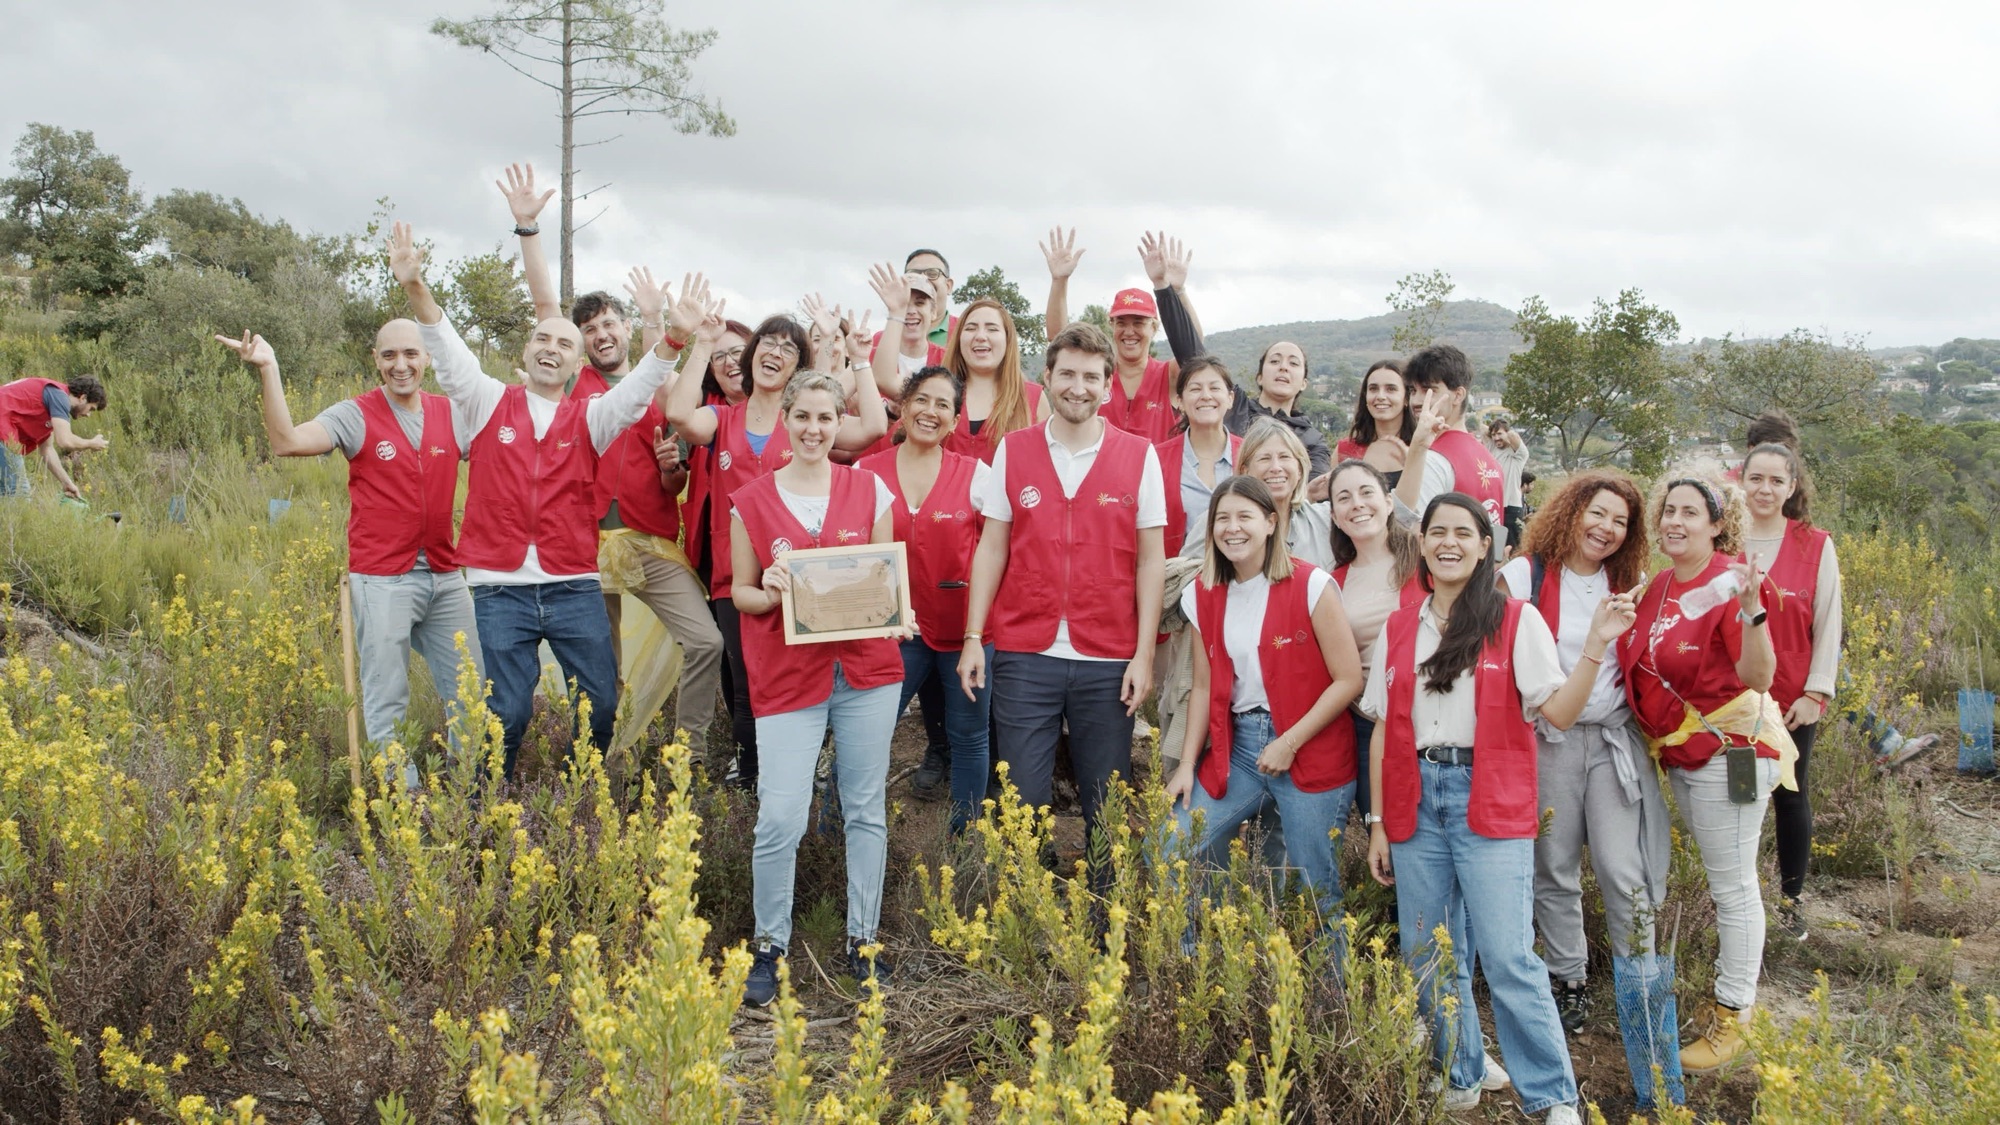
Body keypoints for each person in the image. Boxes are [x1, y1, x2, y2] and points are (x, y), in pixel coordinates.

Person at [393, 220, 693, 779]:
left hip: (571, 583)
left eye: (564, 344)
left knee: (601, 702)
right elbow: (445, 343)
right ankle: (488, 807)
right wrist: (416, 286)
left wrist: (672, 339)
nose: (551, 348)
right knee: (506, 710)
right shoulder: (485, 401)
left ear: (578, 366)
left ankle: (582, 790)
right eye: (543, 339)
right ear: (527, 351)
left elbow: (635, 393)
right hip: (498, 586)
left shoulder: (593, 417)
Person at [1363, 492, 1623, 1124]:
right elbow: (1381, 726)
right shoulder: (1402, 626)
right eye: (1437, 532)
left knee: (1509, 958)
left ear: (1487, 547)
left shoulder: (1515, 620)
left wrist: (1593, 647)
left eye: (1464, 533)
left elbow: (1556, 712)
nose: (1448, 542)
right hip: (1415, 801)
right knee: (1427, 953)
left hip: (1488, 797)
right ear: (1421, 543)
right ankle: (1461, 1072)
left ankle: (1553, 1096)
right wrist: (1376, 821)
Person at [504, 165, 724, 769]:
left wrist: (671, 469)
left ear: (628, 328)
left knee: (706, 639)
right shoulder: (570, 385)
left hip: (651, 544)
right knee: (602, 667)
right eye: (588, 329)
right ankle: (603, 762)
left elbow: (677, 481)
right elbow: (546, 304)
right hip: (582, 544)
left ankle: (692, 755)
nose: (600, 334)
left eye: (609, 324)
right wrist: (528, 227)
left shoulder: (664, 384)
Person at [217, 325, 481, 783]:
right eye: (390, 355)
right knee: (387, 697)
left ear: (428, 359)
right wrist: (269, 369)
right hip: (383, 578)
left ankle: (469, 793)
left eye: (411, 354)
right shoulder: (355, 415)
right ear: (375, 358)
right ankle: (407, 804)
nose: (401, 365)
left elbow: (510, 455)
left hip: (444, 574)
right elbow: (288, 442)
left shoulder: (452, 414)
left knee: (470, 691)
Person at [958, 322, 1167, 889]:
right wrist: (974, 635)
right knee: (1022, 799)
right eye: (1067, 374)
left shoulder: (1139, 455)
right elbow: (992, 545)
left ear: (1106, 387)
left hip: (1109, 656)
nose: (1078, 386)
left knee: (1107, 798)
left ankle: (1103, 916)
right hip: (1027, 650)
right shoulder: (1014, 449)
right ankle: (1032, 906)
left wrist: (1143, 655)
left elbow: (1152, 561)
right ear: (1045, 378)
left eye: (1091, 377)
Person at [1498, 470, 1682, 1108]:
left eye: (1620, 522)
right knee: (1553, 861)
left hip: (1612, 739)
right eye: (1596, 514)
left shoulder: (1627, 585)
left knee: (1621, 864)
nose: (1606, 529)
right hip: (1547, 738)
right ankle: (1568, 978)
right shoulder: (1527, 577)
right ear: (1571, 511)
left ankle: (1640, 976)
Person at [732, 370, 906, 1006]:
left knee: (864, 810)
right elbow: (740, 592)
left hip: (866, 673)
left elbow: (885, 580)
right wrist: (771, 589)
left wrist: (899, 612)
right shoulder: (750, 500)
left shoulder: (869, 489)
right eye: (801, 417)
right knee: (779, 817)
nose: (811, 428)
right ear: (786, 421)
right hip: (787, 677)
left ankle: (864, 940)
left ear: (840, 425)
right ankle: (769, 944)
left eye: (824, 419)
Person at [667, 298, 888, 791]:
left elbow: (873, 427)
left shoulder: (805, 423)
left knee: (815, 678)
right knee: (747, 688)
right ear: (751, 354)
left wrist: (860, 357)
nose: (776, 351)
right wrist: (702, 342)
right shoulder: (722, 419)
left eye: (790, 347)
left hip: (813, 581)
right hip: (738, 578)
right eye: (768, 341)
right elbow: (678, 413)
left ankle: (806, 767)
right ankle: (753, 775)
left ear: (800, 364)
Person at [1618, 469, 1794, 1074]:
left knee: (1733, 886)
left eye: (1691, 512)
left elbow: (1760, 677)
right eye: (1669, 510)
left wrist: (1753, 613)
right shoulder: (1660, 583)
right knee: (1728, 880)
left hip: (1728, 754)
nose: (1674, 521)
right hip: (1683, 757)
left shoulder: (1730, 584)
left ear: (1719, 525)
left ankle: (1734, 1017)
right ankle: (1730, 1005)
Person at [1166, 476, 1364, 925]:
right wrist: (1184, 766)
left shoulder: (1312, 585)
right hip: (1239, 748)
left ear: (1271, 523)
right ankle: (1191, 962)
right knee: (1171, 844)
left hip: (1310, 746)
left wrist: (1289, 741)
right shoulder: (1202, 593)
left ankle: (1330, 987)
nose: (1232, 529)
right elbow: (1203, 684)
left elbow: (1348, 678)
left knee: (1316, 886)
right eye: (1222, 519)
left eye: (1244, 517)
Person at [858, 367, 993, 834]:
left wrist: (976, 634)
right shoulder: (865, 473)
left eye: (943, 405)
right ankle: (838, 832)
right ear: (902, 405)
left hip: (965, 634)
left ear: (956, 421)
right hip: (895, 631)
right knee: (868, 732)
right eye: (921, 400)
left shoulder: (978, 476)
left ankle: (966, 841)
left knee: (970, 737)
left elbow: (996, 556)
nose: (930, 412)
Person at [1740, 441, 1842, 940]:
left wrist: (1815, 693)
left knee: (1790, 794)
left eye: (1776, 481)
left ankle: (1790, 900)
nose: (1765, 489)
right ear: (1742, 480)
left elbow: (1828, 623)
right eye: (1756, 478)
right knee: (1740, 795)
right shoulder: (1723, 542)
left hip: (1793, 701)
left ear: (1792, 487)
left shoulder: (1815, 544)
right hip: (1735, 702)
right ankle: (1740, 897)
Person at [1325, 459, 1423, 821]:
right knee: (1386, 837)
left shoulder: (1425, 560)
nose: (1358, 504)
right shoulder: (1331, 582)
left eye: (1367, 493)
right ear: (1334, 516)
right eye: (1344, 498)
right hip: (1369, 728)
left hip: (1428, 723)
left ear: (1389, 502)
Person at [1041, 227, 1185, 445]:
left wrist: (1177, 291)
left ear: (1154, 328)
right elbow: (1058, 339)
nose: (1129, 332)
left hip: (1155, 478)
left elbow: (1192, 353)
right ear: (1112, 326)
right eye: (1121, 323)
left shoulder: (1168, 375)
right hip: (1101, 475)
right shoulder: (1096, 373)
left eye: (1138, 323)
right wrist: (1059, 281)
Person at [1395, 344, 1504, 544]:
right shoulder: (1489, 459)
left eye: (1429, 390)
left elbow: (1407, 531)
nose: (1417, 400)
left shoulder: (1433, 460)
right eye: (1413, 390)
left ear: (1458, 395)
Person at [940, 297, 1047, 464]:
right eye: (970, 328)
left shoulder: (1033, 398)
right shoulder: (937, 393)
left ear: (1007, 339)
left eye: (992, 329)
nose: (981, 336)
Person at [1157, 356, 1240, 557]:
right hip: (1177, 578)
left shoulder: (1251, 454)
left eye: (1214, 388)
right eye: (1195, 389)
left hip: (1241, 577)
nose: (1205, 396)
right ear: (1180, 401)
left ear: (1230, 399)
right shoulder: (1156, 459)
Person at [1236, 420, 1333, 571]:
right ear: (1245, 471)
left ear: (1300, 469)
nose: (1276, 467)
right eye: (1264, 458)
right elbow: (1189, 572)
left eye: (1284, 457)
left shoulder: (1326, 519)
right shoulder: (1222, 522)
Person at [0, 373, 108, 498]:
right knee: (19, 492)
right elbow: (65, 441)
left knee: (7, 492)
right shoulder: (59, 396)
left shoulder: (53, 400)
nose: (88, 415)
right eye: (91, 409)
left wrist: (67, 482)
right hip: (2, 433)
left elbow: (47, 450)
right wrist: (91, 443)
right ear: (83, 398)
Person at [1335, 360, 1415, 488]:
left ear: (1406, 398)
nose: (1380, 396)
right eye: (1373, 389)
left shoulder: (1422, 449)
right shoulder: (1345, 449)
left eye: (1391, 389)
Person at [1489, 418, 1529, 557]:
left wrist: (1505, 432)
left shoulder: (1519, 454)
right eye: (1493, 435)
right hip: (1496, 509)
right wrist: (1494, 433)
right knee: (1497, 552)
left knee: (1515, 551)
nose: (1496, 438)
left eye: (1499, 434)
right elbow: (1483, 431)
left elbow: (1513, 436)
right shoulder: (1492, 450)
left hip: (1512, 508)